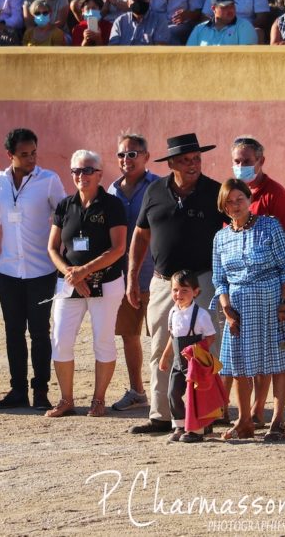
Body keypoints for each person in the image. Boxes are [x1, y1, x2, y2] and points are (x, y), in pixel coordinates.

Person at [126, 133, 225, 435]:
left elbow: (233, 228)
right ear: (171, 163)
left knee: (207, 347)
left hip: (203, 281)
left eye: (196, 159)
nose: (193, 165)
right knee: (161, 346)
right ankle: (162, 415)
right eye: (185, 160)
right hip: (163, 283)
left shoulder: (214, 191)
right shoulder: (154, 191)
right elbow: (141, 235)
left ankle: (209, 414)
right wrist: (132, 277)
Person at [212, 178, 285, 442]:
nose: (235, 205)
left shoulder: (269, 226)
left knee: (278, 361)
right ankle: (244, 421)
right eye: (230, 201)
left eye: (240, 199)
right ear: (224, 206)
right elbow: (219, 279)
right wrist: (226, 307)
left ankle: (278, 420)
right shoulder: (221, 237)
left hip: (273, 304)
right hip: (237, 308)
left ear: (249, 200)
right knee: (238, 365)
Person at [0, 128, 66, 410]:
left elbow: (65, 215)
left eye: (33, 152)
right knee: (13, 332)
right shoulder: (0, 180)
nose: (31, 158)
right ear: (10, 155)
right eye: (24, 154)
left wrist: (61, 256)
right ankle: (17, 390)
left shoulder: (48, 180)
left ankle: (41, 390)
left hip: (41, 271)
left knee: (40, 333)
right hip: (8, 271)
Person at [45, 151, 128, 418]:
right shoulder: (64, 205)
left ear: (100, 173)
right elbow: (53, 248)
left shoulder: (112, 205)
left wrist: (85, 271)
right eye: (76, 171)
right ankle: (66, 399)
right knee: (60, 340)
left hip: (106, 283)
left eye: (87, 170)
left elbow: (118, 249)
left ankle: (98, 399)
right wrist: (72, 274)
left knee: (103, 341)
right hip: (70, 284)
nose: (81, 176)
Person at [108, 133, 159, 412]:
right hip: (123, 279)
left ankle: (166, 392)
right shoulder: (112, 191)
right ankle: (137, 391)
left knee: (162, 337)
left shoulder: (159, 186)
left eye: (132, 154)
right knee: (129, 335)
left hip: (155, 274)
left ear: (146, 156)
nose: (126, 159)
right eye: (121, 154)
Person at [159, 270, 219, 443]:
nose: (179, 294)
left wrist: (196, 351)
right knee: (173, 393)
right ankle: (180, 425)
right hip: (179, 362)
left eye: (185, 290)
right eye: (175, 290)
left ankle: (197, 429)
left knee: (196, 397)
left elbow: (210, 337)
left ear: (196, 292)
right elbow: (173, 337)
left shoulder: (201, 315)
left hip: (196, 363)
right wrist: (165, 357)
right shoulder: (172, 313)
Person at [186, 0, 256, 46]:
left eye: (232, 6)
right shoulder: (199, 29)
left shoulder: (244, 26)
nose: (230, 10)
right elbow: (188, 55)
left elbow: (246, 58)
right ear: (213, 9)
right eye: (225, 7)